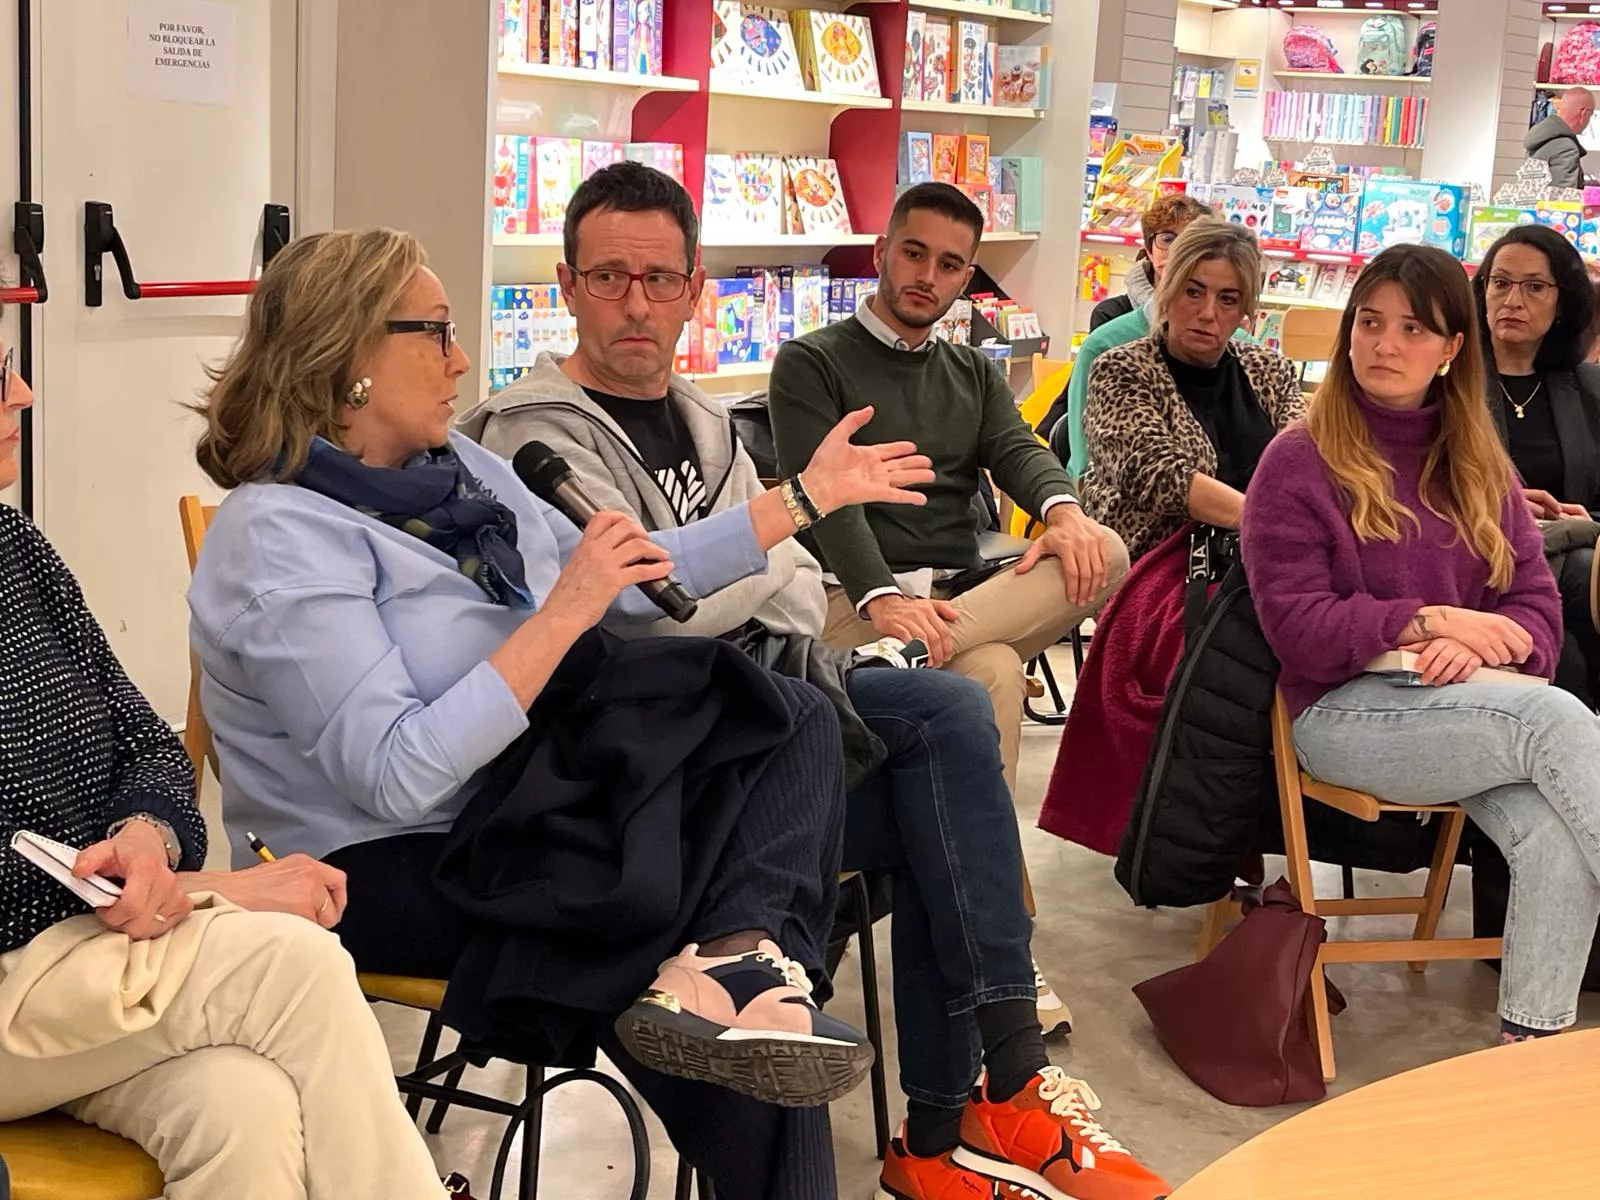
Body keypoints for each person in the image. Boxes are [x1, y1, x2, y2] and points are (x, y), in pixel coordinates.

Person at [459, 162, 1171, 1200]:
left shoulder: (706, 420)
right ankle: (972, 1108)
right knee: (951, 755)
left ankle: (965, 1113)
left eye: (660, 280)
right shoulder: (533, 433)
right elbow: (650, 609)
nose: (636, 303)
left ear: (696, 287)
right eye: (609, 277)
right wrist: (763, 541)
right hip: (650, 771)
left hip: (763, 720)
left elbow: (790, 592)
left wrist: (738, 561)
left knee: (959, 720)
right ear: (564, 285)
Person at [185, 227, 939, 1200]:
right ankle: (733, 972)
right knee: (701, 945)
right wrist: (564, 612)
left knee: (785, 712)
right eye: (438, 332)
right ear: (353, 355)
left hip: (525, 789)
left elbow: (625, 588)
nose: (461, 359)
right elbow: (396, 771)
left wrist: (799, 499)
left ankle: (741, 964)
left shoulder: (453, 469)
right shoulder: (276, 536)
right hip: (390, 857)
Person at [0, 323, 455, 1199]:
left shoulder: (17, 550)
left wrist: (147, 837)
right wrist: (208, 893)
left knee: (243, 1107)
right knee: (295, 963)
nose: (22, 396)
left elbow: (146, 739)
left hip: (78, 968)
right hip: (26, 967)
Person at [1243, 242, 1600, 1046]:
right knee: (1557, 720)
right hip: (1341, 713)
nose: (1384, 345)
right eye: (1370, 323)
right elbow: (1297, 629)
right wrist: (1429, 621)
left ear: (1451, 349)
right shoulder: (1297, 461)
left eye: (1412, 329)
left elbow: (1537, 610)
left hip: (1466, 705)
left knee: (1552, 838)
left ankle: (1529, 1052)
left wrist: (1479, 650)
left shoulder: (1479, 461)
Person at [768, 181, 1130, 802]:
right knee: (992, 670)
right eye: (914, 253)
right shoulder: (810, 361)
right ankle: (990, 891)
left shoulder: (972, 372)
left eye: (949, 264)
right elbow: (825, 503)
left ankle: (904, 655)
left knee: (1106, 551)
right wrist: (882, 598)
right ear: (881, 251)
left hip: (951, 600)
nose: (927, 275)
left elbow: (1018, 450)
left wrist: (1064, 512)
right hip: (846, 601)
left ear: (966, 278)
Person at [1080, 217, 1304, 564]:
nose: (1207, 313)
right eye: (1193, 291)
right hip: (1153, 564)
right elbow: (1161, 477)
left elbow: (1306, 461)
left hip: (1258, 559)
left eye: (1228, 299)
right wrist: (1268, 524)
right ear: (1167, 290)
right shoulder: (1121, 369)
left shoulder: (1271, 370)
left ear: (1246, 310)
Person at [1474, 224, 1600, 704]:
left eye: (1534, 286)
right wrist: (1500, 504)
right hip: (1481, 559)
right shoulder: (1445, 385)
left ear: (1562, 302)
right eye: (1500, 282)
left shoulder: (1589, 390)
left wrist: (1584, 521)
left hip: (1570, 557)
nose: (1512, 299)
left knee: (1568, 641)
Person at [1036, 192, 1212, 450]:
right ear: (1149, 248)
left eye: (1189, 241)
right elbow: (1099, 414)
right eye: (1167, 239)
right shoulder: (1111, 323)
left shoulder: (1220, 326)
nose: (1176, 251)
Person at [1525, 86, 1594, 189]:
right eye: (1591, 114)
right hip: (1550, 205)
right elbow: (1564, 196)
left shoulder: (1542, 138)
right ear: (1584, 113)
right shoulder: (1566, 148)